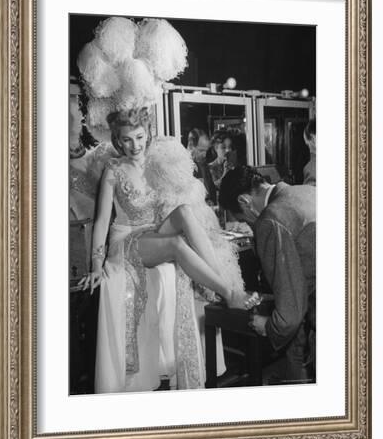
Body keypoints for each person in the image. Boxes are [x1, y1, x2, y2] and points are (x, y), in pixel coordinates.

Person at [77, 108, 249, 393]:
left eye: (140, 137)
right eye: (127, 140)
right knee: (175, 245)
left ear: (148, 134)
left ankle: (219, 283)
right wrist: (96, 265)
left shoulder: (156, 162)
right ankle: (229, 294)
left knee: (184, 212)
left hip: (152, 232)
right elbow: (102, 220)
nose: (135, 145)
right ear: (118, 141)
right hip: (127, 240)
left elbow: (177, 201)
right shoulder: (113, 169)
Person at [219, 166, 316, 382]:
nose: (249, 224)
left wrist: (269, 327)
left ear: (244, 201)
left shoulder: (270, 220)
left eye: (243, 219)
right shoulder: (306, 191)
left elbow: (289, 314)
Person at [303, 119, 316, 186]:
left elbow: (309, 195)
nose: (309, 151)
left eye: (308, 145)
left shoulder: (311, 167)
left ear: (313, 139)